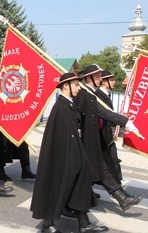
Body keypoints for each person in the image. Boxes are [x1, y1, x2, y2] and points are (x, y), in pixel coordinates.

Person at [30, 72, 108, 233]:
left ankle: (84, 223)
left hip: (72, 156)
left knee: (78, 188)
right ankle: (47, 224)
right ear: (66, 86)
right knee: (56, 187)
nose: (79, 88)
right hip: (63, 158)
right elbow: (67, 138)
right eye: (76, 85)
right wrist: (77, 160)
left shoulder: (68, 105)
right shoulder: (62, 108)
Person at [74, 64, 142, 212]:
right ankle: (121, 198)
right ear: (88, 78)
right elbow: (87, 117)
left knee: (93, 171)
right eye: (97, 76)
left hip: (91, 140)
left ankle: (120, 197)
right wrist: (126, 122)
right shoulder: (84, 95)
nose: (100, 78)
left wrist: (125, 122)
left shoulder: (90, 94)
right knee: (95, 170)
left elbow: (104, 112)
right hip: (83, 141)